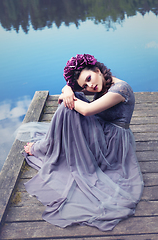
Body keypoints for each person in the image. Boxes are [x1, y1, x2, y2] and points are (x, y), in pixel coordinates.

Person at [23, 54, 144, 231]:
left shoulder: (122, 89)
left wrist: (69, 97)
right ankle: (47, 146)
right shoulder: (101, 82)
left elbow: (87, 110)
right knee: (70, 103)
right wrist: (68, 91)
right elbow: (71, 89)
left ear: (97, 70)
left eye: (89, 79)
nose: (90, 86)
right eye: (85, 84)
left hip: (113, 143)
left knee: (68, 108)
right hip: (102, 130)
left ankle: (44, 147)